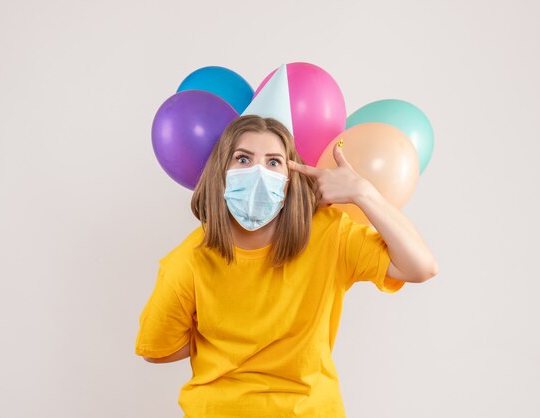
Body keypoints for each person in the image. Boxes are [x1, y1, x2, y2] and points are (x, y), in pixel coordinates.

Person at [135, 114, 439, 417]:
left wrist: (363, 193)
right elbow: (157, 349)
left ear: (290, 177)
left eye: (273, 162)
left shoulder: (329, 234)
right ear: (221, 171)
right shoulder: (188, 260)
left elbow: (421, 267)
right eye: (243, 159)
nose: (258, 172)